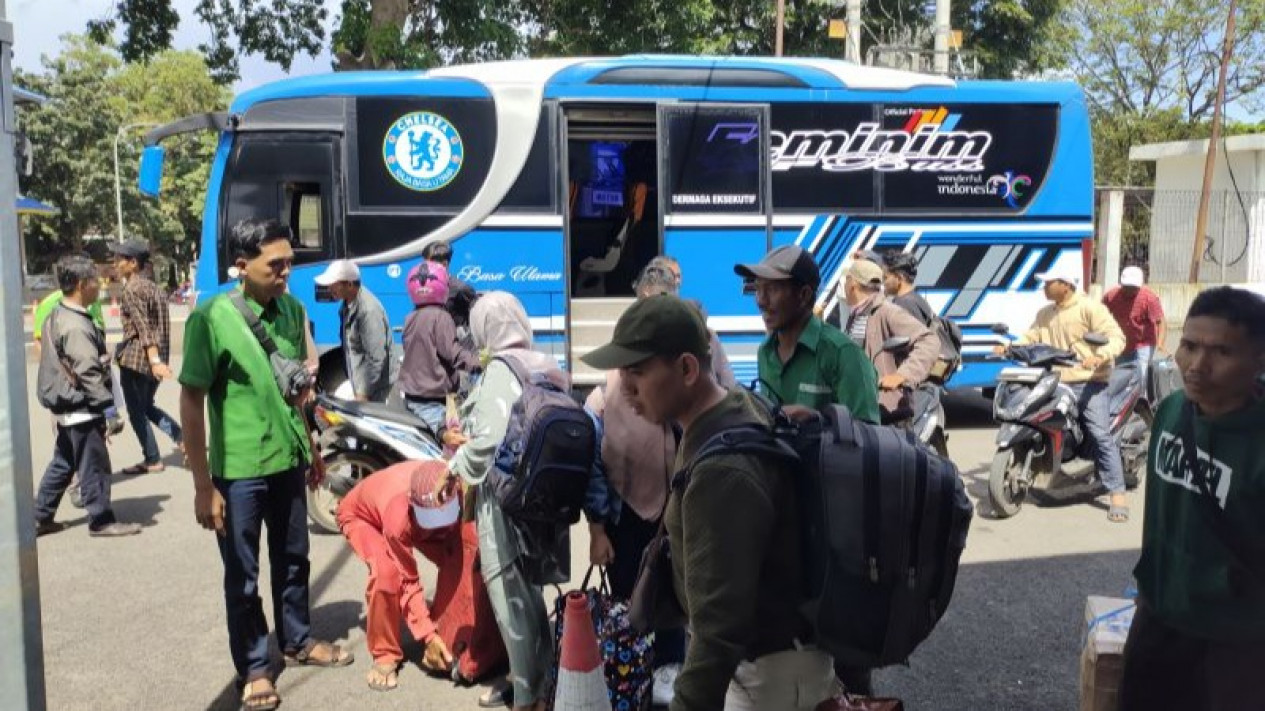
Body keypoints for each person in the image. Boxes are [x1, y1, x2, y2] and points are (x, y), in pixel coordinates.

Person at [582, 294, 835, 711]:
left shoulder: (722, 472)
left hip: (766, 677)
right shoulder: (732, 411)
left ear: (686, 369)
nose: (624, 389)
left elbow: (718, 631)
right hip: (771, 664)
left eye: (638, 372)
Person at [180, 219, 353, 711]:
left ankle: (297, 640)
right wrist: (200, 485)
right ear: (241, 266)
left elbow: (294, 395)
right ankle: (255, 667)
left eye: (289, 264)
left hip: (288, 462)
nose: (286, 274)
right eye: (275, 265)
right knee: (243, 575)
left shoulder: (293, 311)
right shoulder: (212, 317)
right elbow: (191, 400)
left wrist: (313, 451)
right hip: (237, 471)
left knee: (295, 558)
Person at [1120, 286, 1265, 711]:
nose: (1197, 365)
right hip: (1159, 618)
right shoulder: (1171, 412)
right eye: (1189, 345)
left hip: (1237, 640)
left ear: (1259, 361)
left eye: (1221, 351)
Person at [583, 261, 720, 706]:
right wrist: (598, 529)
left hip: (679, 518)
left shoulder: (723, 449)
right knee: (631, 605)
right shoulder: (607, 395)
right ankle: (637, 678)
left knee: (679, 608)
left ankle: (665, 677)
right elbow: (597, 462)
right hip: (629, 518)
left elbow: (727, 623)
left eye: (637, 371)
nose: (628, 384)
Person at [443, 291, 561, 711]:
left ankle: (530, 697)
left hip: (507, 503)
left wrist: (454, 466)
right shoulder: (544, 363)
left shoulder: (500, 371)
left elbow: (490, 441)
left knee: (513, 603)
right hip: (543, 502)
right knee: (531, 598)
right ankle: (544, 679)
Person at [337, 459, 506, 692]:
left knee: (460, 557)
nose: (441, 526)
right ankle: (385, 653)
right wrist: (427, 636)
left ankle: (448, 632)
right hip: (364, 518)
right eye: (434, 520)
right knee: (387, 575)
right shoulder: (398, 517)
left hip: (419, 517)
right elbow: (408, 581)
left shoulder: (455, 483)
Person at [992, 264, 1129, 521]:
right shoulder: (1046, 312)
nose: (1044, 287)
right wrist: (1009, 346)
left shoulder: (1090, 308)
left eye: (1048, 283)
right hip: (1054, 379)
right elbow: (1032, 336)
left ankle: (1118, 494)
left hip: (1088, 382)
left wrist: (1099, 356)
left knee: (1100, 433)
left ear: (1066, 285)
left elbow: (1117, 338)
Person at [33, 255, 140, 538]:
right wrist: (109, 410)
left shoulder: (57, 313)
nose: (100, 286)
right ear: (82, 284)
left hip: (66, 405)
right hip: (83, 406)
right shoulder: (76, 325)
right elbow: (89, 372)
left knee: (63, 463)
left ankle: (40, 516)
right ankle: (101, 519)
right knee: (94, 464)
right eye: (96, 281)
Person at [735, 244, 880, 424]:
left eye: (772, 289)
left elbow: (868, 435)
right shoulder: (765, 352)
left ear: (803, 295)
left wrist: (817, 421)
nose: (761, 301)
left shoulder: (844, 354)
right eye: (757, 289)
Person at [112, 239, 183, 475]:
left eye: (119, 259)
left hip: (137, 361)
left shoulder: (132, 290)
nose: (115, 264)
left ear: (133, 263)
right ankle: (182, 437)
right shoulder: (155, 288)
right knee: (146, 406)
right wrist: (159, 361)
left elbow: (144, 329)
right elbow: (161, 328)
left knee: (137, 412)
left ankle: (152, 459)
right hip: (156, 361)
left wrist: (153, 362)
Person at [841, 259, 940, 426]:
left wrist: (903, 375)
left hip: (890, 416)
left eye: (846, 281)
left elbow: (929, 340)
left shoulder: (888, 312)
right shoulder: (858, 314)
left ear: (853, 284)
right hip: (862, 413)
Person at [400, 260, 478, 434]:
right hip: (434, 403)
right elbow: (453, 353)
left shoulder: (410, 317)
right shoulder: (441, 317)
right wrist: (478, 362)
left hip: (412, 398)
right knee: (455, 448)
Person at [314, 259, 392, 403]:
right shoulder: (347, 305)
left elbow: (376, 358)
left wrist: (364, 393)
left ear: (349, 284)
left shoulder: (368, 310)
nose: (330, 288)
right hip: (363, 386)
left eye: (334, 284)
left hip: (376, 392)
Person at [1102, 265, 1167, 380]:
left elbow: (1160, 321)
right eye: (1127, 287)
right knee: (1121, 377)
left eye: (1134, 287)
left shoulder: (1149, 298)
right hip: (1122, 343)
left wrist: (1160, 343)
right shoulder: (1111, 296)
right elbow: (1100, 315)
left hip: (1143, 343)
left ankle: (1141, 397)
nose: (1130, 290)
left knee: (1140, 376)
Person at [422, 240, 478, 331]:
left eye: (430, 264)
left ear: (444, 264)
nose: (425, 268)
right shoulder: (424, 286)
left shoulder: (460, 288)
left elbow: (477, 318)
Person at [881, 251, 937, 327]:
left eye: (885, 277)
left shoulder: (904, 304)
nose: (883, 282)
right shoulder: (915, 298)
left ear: (899, 278)